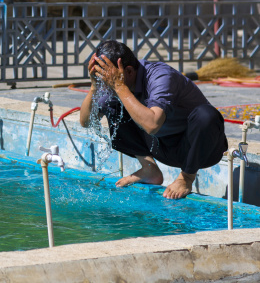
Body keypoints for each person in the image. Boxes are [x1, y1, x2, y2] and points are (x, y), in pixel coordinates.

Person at [79, 40, 228, 199]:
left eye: (108, 79)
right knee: (114, 104)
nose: (106, 85)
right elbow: (86, 122)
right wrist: (94, 86)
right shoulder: (114, 82)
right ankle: (149, 168)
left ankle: (186, 178)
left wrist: (119, 87)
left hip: (199, 150)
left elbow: (152, 125)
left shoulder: (160, 76)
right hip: (161, 147)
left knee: (206, 114)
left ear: (129, 71)